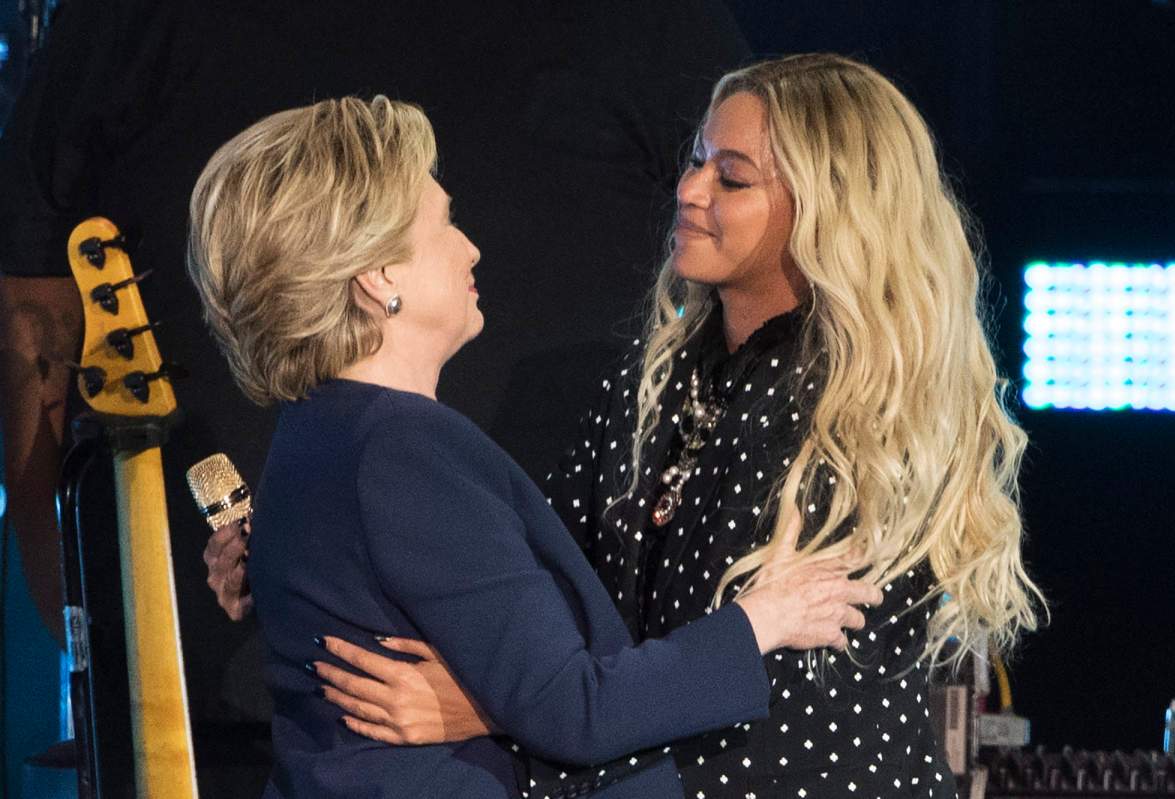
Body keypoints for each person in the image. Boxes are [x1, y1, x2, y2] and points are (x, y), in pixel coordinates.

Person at [242, 53, 1045, 799]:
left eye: (731, 177)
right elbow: (543, 603)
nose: (689, 190)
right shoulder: (653, 380)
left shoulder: (861, 414)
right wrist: (300, 552)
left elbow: (781, 718)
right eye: (696, 160)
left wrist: (497, 716)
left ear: (829, 211)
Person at [0, 1, 747, 793]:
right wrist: (761, 625)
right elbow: (574, 704)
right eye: (446, 224)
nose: (472, 248)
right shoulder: (405, 447)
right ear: (378, 275)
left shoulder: (317, 432)